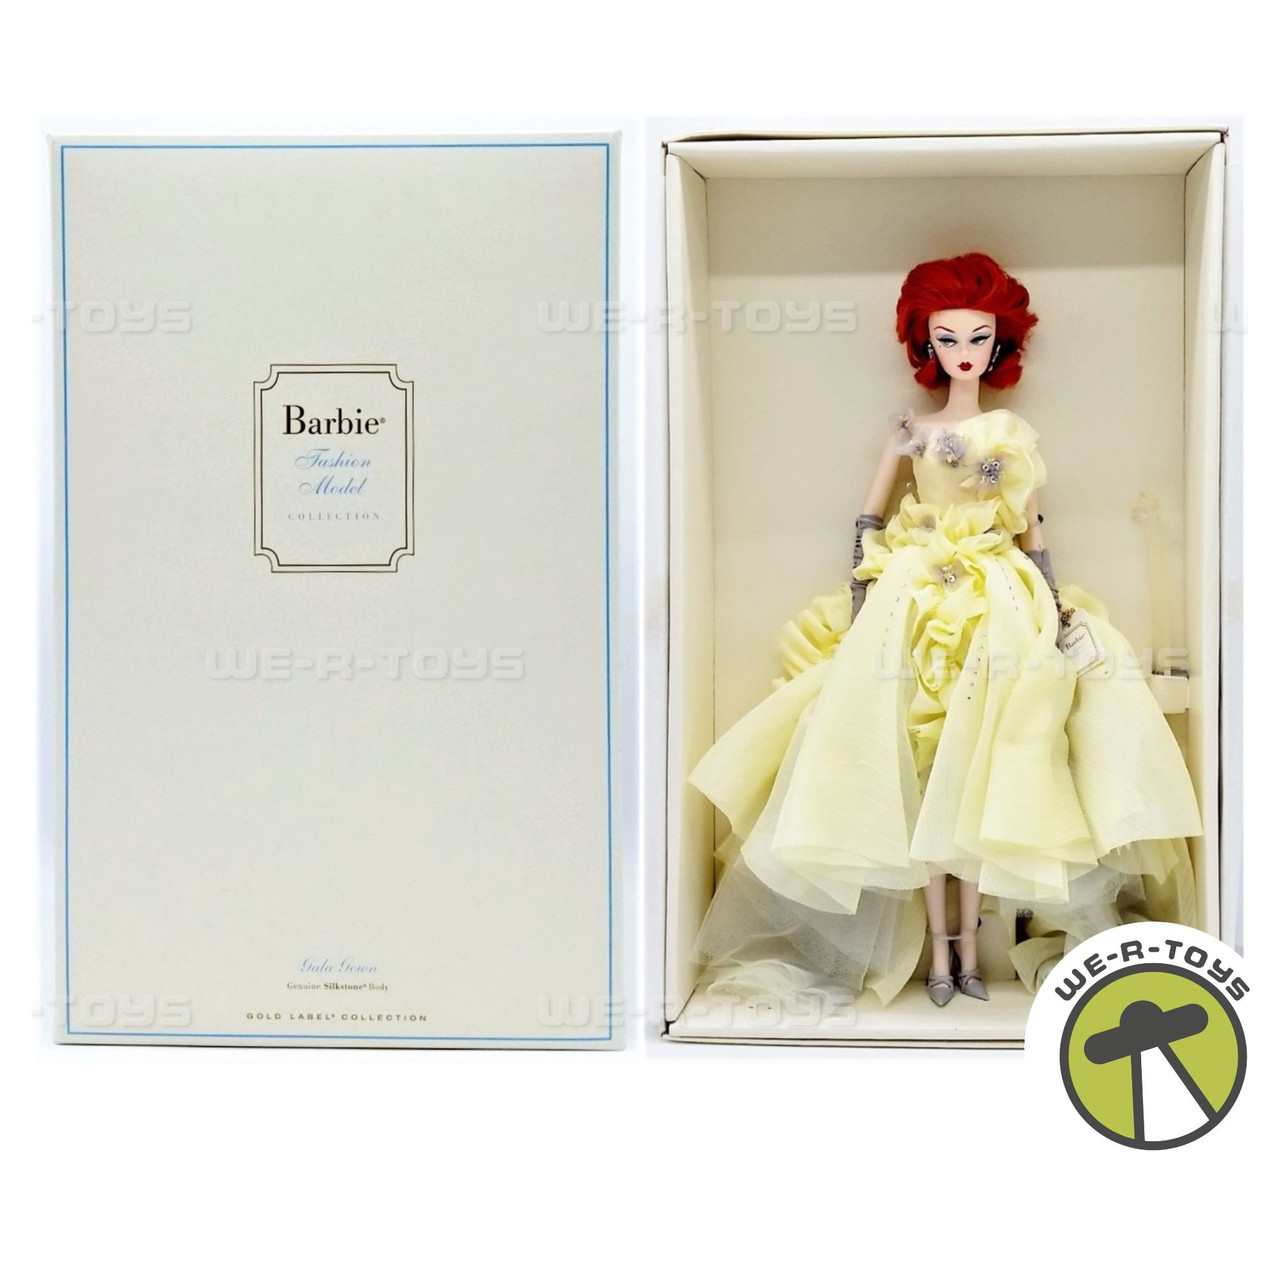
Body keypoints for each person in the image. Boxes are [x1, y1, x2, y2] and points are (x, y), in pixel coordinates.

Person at [688, 252, 1202, 1010]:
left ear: (1000, 343)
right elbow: (868, 517)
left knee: (988, 769)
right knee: (924, 771)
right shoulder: (911, 433)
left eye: (979, 337)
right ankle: (939, 953)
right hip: (916, 594)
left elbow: (1032, 530)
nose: (965, 351)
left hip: (998, 596)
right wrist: (863, 599)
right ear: (926, 341)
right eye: (949, 337)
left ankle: (968, 948)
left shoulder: (1012, 435)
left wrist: (1053, 607)